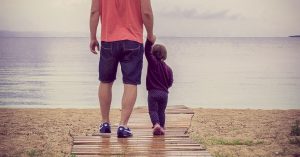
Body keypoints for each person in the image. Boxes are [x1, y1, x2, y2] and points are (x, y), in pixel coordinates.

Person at [89, 0, 156, 138]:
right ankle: (123, 126)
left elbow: (94, 12)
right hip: (133, 40)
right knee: (130, 83)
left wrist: (93, 36)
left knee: (105, 81)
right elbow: (147, 13)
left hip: (108, 40)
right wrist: (150, 35)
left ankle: (105, 123)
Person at [145, 39, 173, 135]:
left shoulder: (153, 63)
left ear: (153, 54)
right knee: (161, 111)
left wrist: (150, 40)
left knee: (153, 110)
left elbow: (146, 51)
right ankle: (162, 127)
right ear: (165, 55)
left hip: (153, 92)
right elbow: (170, 82)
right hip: (164, 93)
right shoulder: (168, 69)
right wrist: (165, 87)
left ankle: (156, 124)